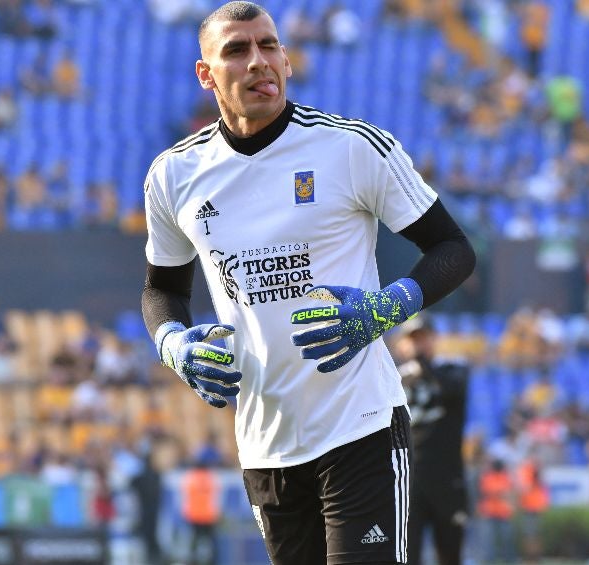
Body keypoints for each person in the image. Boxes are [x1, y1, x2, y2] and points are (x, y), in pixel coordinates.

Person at [140, 3, 476, 564]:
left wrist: (385, 308)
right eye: (237, 50)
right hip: (265, 444)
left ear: (287, 60)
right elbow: (161, 290)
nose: (258, 61)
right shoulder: (173, 175)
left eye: (269, 45)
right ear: (206, 74)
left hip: (361, 428)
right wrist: (172, 343)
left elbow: (453, 248)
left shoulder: (352, 146)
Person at [396, 316, 469, 565]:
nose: (419, 344)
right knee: (408, 555)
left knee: (449, 555)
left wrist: (421, 363)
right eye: (413, 339)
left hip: (447, 479)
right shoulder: (394, 378)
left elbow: (452, 389)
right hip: (410, 480)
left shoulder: (453, 369)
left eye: (423, 338)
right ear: (402, 343)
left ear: (434, 339)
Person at [181, 458, 222, 565]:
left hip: (194, 515)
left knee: (194, 542)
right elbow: (217, 497)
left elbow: (185, 496)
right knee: (211, 542)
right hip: (208, 515)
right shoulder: (211, 478)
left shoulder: (190, 478)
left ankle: (192, 561)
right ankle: (213, 561)